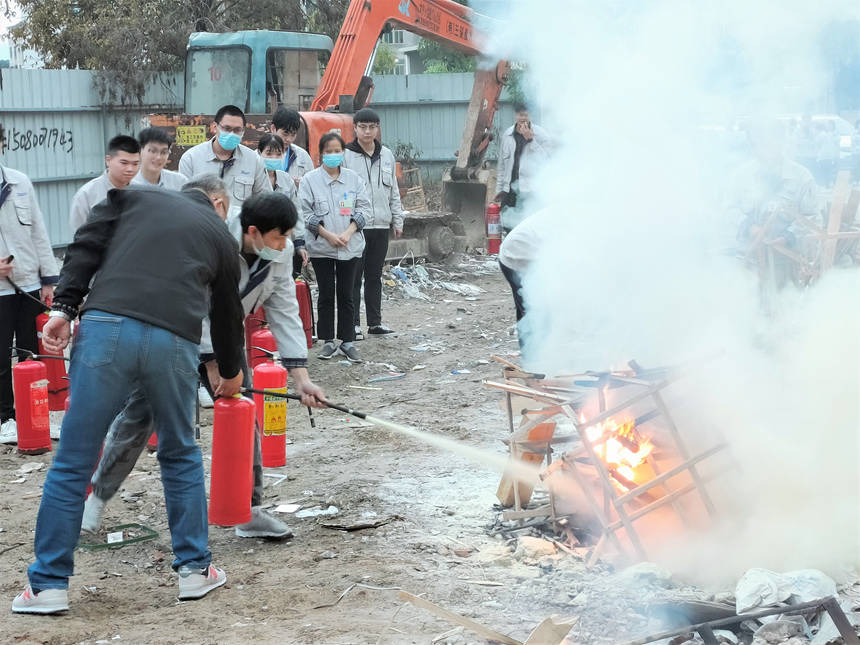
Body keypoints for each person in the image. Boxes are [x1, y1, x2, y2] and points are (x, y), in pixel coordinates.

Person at [11, 182, 246, 614]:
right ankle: (195, 572)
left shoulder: (133, 196)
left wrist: (63, 307)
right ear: (215, 204)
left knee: (73, 460)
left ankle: (47, 587)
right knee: (180, 454)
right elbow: (229, 313)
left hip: (105, 330)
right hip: (174, 342)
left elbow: (86, 245)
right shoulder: (219, 236)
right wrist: (231, 372)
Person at [82, 185, 326, 541]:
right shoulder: (209, 238)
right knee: (140, 414)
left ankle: (248, 509)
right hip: (172, 330)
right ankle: (95, 500)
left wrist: (301, 377)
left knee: (243, 414)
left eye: (288, 236)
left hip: (226, 336)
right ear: (252, 232)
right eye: (278, 237)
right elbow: (200, 306)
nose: (283, 244)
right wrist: (215, 366)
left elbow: (284, 310)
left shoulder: (280, 252)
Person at [0, 123, 60, 445]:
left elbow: (38, 232)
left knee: (33, 353)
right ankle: (5, 418)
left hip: (28, 283)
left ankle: (39, 413)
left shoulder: (19, 182)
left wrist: (49, 279)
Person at [299, 133, 370, 363]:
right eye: (328, 151)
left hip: (350, 246)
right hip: (322, 247)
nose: (332, 155)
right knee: (326, 294)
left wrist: (348, 233)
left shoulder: (354, 179)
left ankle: (348, 341)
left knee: (348, 294)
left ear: (343, 153)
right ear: (321, 154)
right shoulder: (310, 180)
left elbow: (364, 209)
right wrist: (328, 235)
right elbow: (305, 213)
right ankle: (328, 341)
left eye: (336, 150)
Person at [729, 118, 819, 292]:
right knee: (748, 310)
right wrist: (749, 227)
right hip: (747, 261)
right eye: (760, 142)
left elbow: (813, 217)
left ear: (782, 141)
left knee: (785, 310)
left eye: (772, 140)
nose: (766, 147)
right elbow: (727, 211)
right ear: (752, 145)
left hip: (787, 263)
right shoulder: (739, 176)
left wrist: (788, 237)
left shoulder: (801, 176)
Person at [343, 108, 404, 339]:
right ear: (355, 128)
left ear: (377, 128)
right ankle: (354, 324)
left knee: (374, 276)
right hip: (356, 226)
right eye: (363, 127)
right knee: (354, 277)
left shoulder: (386, 154)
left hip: (381, 225)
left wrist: (398, 219)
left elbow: (393, 191)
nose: (367, 131)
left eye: (372, 127)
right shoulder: (347, 155)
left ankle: (375, 323)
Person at [179, 104, 271, 216]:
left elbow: (265, 202)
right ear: (214, 127)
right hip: (202, 227)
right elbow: (182, 203)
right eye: (227, 128)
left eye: (237, 130)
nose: (232, 134)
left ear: (243, 131)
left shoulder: (254, 160)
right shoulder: (191, 158)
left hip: (239, 229)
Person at [498, 208, 550, 365]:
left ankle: (537, 364)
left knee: (533, 315)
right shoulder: (578, 221)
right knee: (536, 316)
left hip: (521, 253)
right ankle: (537, 369)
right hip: (519, 258)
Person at [494, 102, 550, 232]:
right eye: (520, 115)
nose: (523, 118)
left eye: (526, 115)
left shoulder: (541, 135)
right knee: (507, 225)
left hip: (531, 190)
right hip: (510, 189)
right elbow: (502, 165)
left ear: (531, 116)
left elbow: (547, 160)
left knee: (530, 225)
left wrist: (531, 140)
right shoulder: (508, 135)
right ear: (515, 116)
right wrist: (499, 190)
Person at [257, 133, 308, 274]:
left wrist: (299, 243)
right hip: (259, 244)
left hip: (284, 244)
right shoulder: (254, 178)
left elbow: (296, 212)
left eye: (278, 153)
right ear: (259, 153)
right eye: (268, 153)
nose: (273, 157)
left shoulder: (286, 180)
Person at [69, 135, 140, 232]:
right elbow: (79, 234)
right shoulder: (86, 195)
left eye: (135, 164)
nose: (130, 169)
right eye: (124, 163)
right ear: (108, 160)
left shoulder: (142, 191)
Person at [270, 107, 314, 187]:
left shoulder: (303, 156)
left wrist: (302, 184)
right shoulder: (258, 156)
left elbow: (312, 185)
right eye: (285, 134)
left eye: (293, 134)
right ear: (273, 129)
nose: (289, 139)